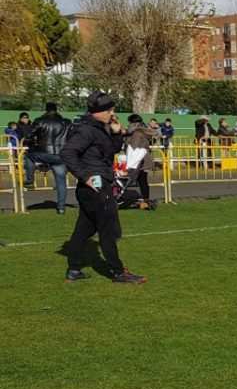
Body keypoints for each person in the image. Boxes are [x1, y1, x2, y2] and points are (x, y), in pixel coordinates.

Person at [62, 91, 146, 284]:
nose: (112, 113)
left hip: (95, 186)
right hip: (96, 186)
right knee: (108, 230)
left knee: (83, 230)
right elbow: (67, 153)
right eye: (109, 110)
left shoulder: (98, 128)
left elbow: (111, 150)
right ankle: (118, 272)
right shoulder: (86, 130)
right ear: (97, 112)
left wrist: (116, 133)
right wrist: (85, 177)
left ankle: (74, 269)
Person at [24, 102, 72, 214]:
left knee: (28, 156)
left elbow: (29, 136)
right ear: (56, 109)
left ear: (46, 110)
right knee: (61, 182)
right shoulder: (66, 122)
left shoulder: (40, 121)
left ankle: (30, 180)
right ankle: (61, 208)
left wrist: (32, 143)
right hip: (61, 155)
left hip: (44, 153)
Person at [123, 114, 155, 209]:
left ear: (134, 123)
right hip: (144, 159)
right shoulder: (143, 131)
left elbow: (134, 147)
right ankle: (145, 200)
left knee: (139, 180)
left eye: (129, 122)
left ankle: (144, 201)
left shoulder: (137, 133)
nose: (128, 124)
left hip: (139, 160)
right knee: (142, 180)